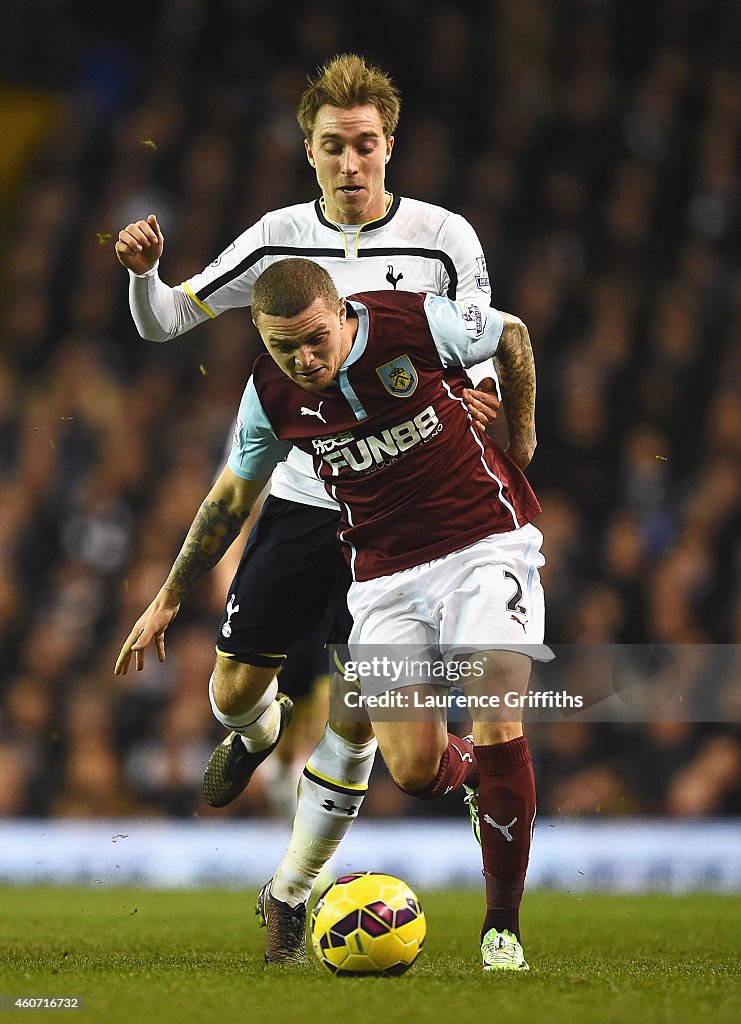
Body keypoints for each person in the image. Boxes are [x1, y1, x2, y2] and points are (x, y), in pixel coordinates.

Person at [114, 54, 500, 964]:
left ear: (389, 146)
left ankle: (289, 894)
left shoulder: (445, 237)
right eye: (334, 147)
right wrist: (146, 273)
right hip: (298, 501)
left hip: (400, 519)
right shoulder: (279, 238)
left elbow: (483, 340)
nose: (352, 162)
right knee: (232, 691)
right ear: (310, 151)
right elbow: (167, 321)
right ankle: (255, 731)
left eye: (367, 145)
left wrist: (483, 395)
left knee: (359, 711)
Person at [116, 258, 548, 972]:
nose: (305, 360)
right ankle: (471, 772)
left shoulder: (413, 322)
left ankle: (500, 930)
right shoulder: (269, 394)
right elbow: (228, 500)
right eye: (285, 348)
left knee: (497, 713)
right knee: (413, 769)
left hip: (481, 545)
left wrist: (522, 439)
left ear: (342, 313)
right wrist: (165, 598)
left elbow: (513, 335)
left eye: (316, 340)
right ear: (262, 339)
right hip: (381, 578)